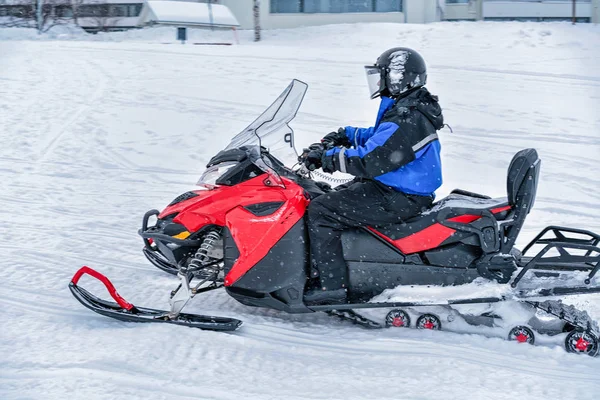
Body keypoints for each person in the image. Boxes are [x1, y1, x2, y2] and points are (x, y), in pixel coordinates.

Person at [302, 47, 445, 305]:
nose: (379, 82)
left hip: (398, 195)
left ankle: (331, 287)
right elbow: (382, 138)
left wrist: (328, 158)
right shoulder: (409, 107)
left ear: (399, 78)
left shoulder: (408, 117)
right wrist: (346, 134)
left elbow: (371, 160)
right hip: (397, 189)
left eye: (382, 76)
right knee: (330, 196)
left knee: (321, 211)